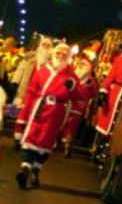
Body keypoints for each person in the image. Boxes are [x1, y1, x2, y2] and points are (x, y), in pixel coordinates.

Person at [15, 43, 80, 188]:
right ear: (53, 53)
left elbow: (79, 95)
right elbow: (32, 90)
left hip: (55, 111)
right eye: (58, 52)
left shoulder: (71, 75)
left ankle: (36, 169)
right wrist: (25, 111)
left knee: (45, 140)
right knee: (31, 135)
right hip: (38, 107)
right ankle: (25, 167)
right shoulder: (43, 70)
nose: (61, 55)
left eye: (64, 53)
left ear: (68, 57)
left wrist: (73, 87)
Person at [12, 36, 53, 147]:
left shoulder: (52, 65)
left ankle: (27, 138)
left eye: (48, 46)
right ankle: (17, 137)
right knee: (21, 114)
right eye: (44, 44)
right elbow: (20, 71)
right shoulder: (29, 59)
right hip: (25, 91)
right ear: (40, 46)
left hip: (39, 95)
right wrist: (15, 82)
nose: (45, 47)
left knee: (33, 117)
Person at [61, 53, 98, 157]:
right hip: (67, 102)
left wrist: (90, 85)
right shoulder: (72, 74)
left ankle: (67, 145)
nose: (81, 66)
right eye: (80, 64)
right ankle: (56, 141)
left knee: (71, 126)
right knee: (61, 122)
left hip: (78, 106)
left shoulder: (90, 80)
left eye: (84, 65)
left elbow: (93, 93)